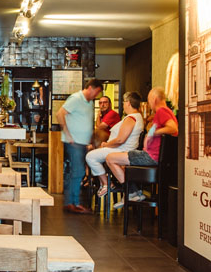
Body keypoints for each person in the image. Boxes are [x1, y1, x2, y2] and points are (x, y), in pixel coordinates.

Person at [104, 87, 179, 204]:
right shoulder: (167, 112)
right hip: (152, 156)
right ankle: (134, 191)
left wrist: (153, 133)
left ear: (154, 99)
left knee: (110, 158)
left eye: (149, 101)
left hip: (149, 157)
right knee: (122, 162)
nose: (149, 104)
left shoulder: (162, 111)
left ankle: (131, 192)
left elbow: (173, 128)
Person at [57, 78, 104, 213]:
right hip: (74, 142)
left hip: (83, 143)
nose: (97, 96)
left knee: (75, 172)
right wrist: (67, 134)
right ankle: (74, 203)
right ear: (90, 88)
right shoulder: (76, 98)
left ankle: (71, 202)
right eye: (97, 92)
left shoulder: (89, 103)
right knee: (78, 171)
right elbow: (60, 114)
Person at [87, 92, 143, 196]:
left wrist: (106, 145)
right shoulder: (135, 116)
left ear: (128, 103)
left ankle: (106, 183)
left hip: (120, 149)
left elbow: (120, 140)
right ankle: (106, 183)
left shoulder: (131, 118)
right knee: (92, 154)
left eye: (124, 102)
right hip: (121, 148)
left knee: (90, 157)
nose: (123, 104)